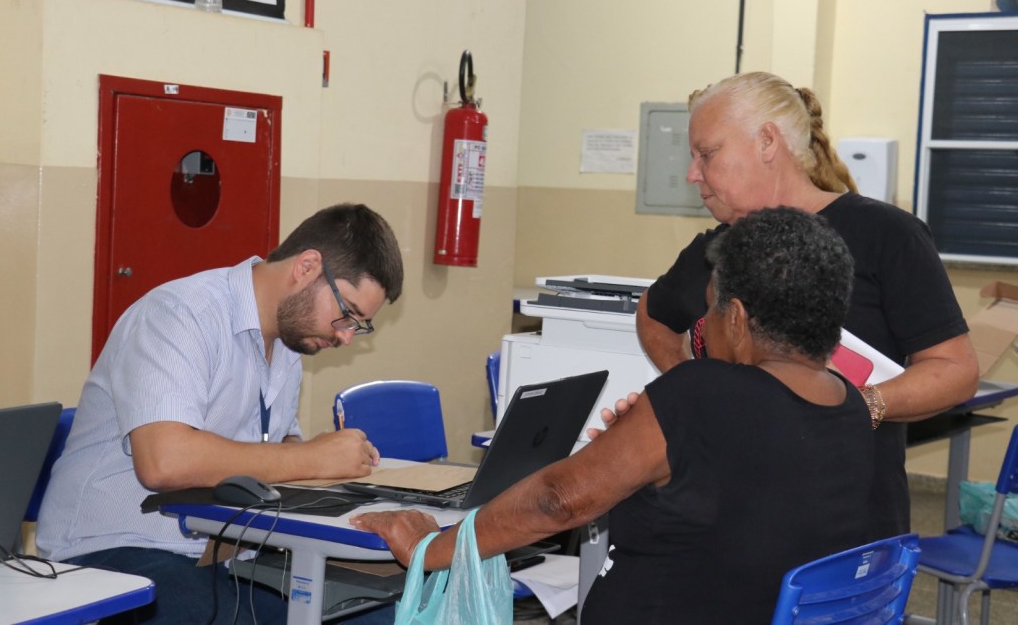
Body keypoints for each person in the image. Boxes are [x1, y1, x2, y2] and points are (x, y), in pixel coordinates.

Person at [354, 207, 876, 624]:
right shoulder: (850, 407)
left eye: (710, 308)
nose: (705, 323)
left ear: (736, 318)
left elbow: (558, 500)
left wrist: (432, 546)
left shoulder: (702, 392)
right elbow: (733, 505)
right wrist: (643, 447)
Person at [635, 71, 979, 540]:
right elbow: (653, 317)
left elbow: (955, 370)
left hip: (848, 519)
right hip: (734, 520)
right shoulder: (713, 249)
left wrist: (860, 406)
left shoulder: (886, 235)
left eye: (707, 154)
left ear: (767, 141)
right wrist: (694, 398)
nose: (692, 174)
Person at [36, 203, 404, 624]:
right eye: (347, 314)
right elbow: (164, 463)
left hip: (225, 551)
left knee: (371, 613)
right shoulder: (179, 314)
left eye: (359, 325)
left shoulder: (290, 342)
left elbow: (277, 446)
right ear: (306, 267)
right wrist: (312, 458)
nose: (345, 337)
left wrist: (326, 461)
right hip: (119, 548)